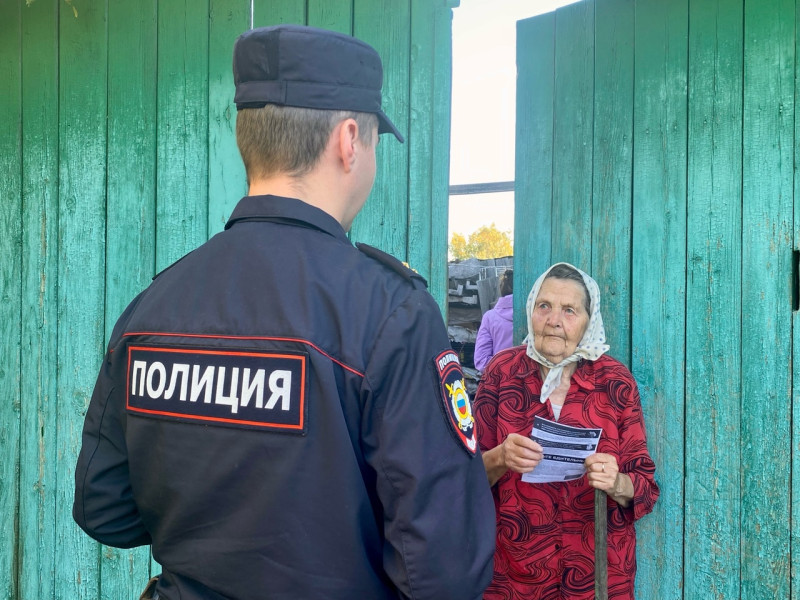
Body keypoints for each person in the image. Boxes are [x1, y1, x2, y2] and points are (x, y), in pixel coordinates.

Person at [73, 24, 495, 600]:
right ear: (349, 140)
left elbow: (106, 509)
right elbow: (446, 569)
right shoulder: (389, 311)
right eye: (372, 142)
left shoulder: (157, 301)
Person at [472, 262, 659, 599]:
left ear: (589, 321)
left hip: (598, 575)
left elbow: (644, 487)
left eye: (569, 310)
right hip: (515, 574)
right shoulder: (501, 373)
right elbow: (463, 480)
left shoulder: (615, 382)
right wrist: (501, 457)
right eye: (544, 306)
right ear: (530, 310)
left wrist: (615, 482)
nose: (554, 320)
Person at [473, 269, 514, 371]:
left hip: (500, 382)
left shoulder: (490, 317)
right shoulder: (535, 315)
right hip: (532, 383)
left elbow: (481, 360)